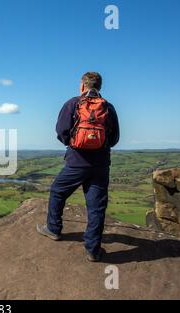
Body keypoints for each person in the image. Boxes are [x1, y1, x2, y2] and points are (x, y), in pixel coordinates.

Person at [37, 72, 120, 262]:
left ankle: (53, 229)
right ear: (99, 86)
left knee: (58, 191)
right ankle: (92, 250)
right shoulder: (108, 107)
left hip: (76, 162)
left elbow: (61, 131)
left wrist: (75, 144)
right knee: (96, 207)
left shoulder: (73, 103)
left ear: (82, 86)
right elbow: (114, 138)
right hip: (100, 164)